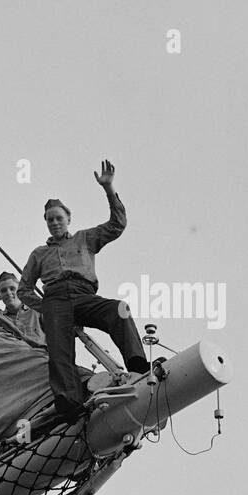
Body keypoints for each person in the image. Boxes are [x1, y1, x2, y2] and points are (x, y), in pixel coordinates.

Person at [17, 159, 150, 419]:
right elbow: (24, 289)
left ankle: (137, 364)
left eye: (58, 218)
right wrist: (45, 307)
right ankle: (69, 401)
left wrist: (108, 188)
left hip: (83, 295)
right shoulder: (39, 253)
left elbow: (117, 225)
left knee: (118, 309)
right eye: (49, 220)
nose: (54, 223)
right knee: (59, 350)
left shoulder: (85, 239)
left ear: (68, 219)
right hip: (55, 300)